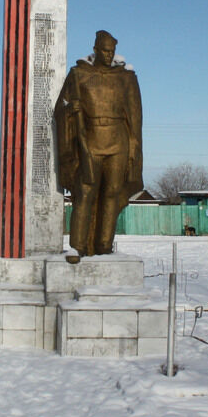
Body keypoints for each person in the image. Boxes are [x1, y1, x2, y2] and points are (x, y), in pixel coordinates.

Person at [55, 30, 142, 256]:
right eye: (104, 50)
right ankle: (78, 247)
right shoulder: (78, 74)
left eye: (111, 51)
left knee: (112, 193)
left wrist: (133, 147)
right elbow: (60, 108)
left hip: (118, 141)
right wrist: (69, 110)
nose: (108, 55)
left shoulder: (126, 78)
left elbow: (135, 115)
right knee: (85, 192)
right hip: (90, 140)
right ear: (95, 49)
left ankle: (104, 246)